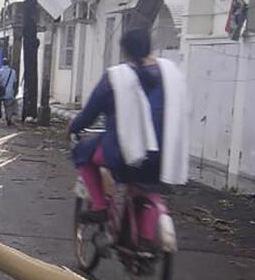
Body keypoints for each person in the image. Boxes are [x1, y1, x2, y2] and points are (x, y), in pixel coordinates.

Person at [67, 27, 189, 224]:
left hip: (125, 155)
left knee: (83, 153)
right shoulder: (172, 72)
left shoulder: (116, 77)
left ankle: (100, 207)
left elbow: (90, 113)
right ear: (149, 46)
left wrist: (73, 127)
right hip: (165, 156)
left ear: (125, 51)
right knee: (146, 184)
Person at [0, 57, 17, 124]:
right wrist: (14, 92)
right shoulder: (13, 72)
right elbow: (15, 82)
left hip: (0, 92)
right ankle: (8, 119)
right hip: (10, 92)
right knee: (8, 107)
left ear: (2, 63)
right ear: (9, 63)